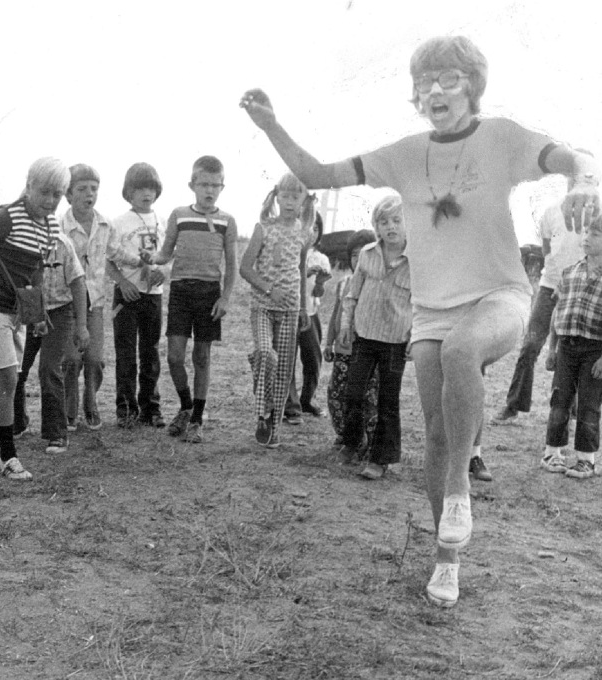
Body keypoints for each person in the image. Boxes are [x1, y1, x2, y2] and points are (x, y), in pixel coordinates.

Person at [241, 35, 599, 608]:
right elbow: (318, 171)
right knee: (434, 431)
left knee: (461, 354)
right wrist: (270, 125)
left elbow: (573, 157)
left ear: (472, 86)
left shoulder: (501, 138)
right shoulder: (405, 153)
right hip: (431, 313)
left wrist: (582, 181)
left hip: (499, 297)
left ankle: (459, 489)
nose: (435, 90)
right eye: (425, 80)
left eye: (450, 78)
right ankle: (446, 560)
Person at [0, 157, 70, 481]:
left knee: (6, 376)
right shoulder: (5, 217)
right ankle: (8, 456)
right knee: (9, 379)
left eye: (57, 195)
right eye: (45, 192)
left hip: (15, 310)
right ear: (29, 185)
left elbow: (35, 272)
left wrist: (35, 315)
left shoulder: (51, 226)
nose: (50, 201)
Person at [141, 156, 238, 443]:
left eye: (215, 185)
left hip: (209, 293)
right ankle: (185, 405)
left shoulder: (227, 221)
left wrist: (225, 298)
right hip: (181, 290)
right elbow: (165, 252)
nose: (209, 190)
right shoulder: (179, 215)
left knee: (202, 357)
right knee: (173, 356)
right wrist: (152, 259)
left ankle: (197, 418)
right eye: (203, 184)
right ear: (192, 185)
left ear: (222, 187)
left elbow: (232, 265)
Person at [493, 185, 584, 424]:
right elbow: (546, 250)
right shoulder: (551, 212)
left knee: (573, 351)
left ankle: (573, 411)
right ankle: (513, 405)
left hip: (578, 291)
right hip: (548, 288)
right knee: (530, 346)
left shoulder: (596, 216)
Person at [337, 194, 412, 480]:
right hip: (365, 335)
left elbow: (420, 303)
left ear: (408, 224)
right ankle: (352, 442)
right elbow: (352, 293)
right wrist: (346, 326)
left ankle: (380, 459)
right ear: (376, 227)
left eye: (397, 220)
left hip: (395, 340)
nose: (391, 227)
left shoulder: (416, 260)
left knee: (387, 401)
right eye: (384, 222)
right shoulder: (367, 254)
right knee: (353, 393)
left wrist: (414, 337)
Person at [239, 172, 315, 448]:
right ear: (277, 197)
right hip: (263, 305)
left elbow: (302, 268)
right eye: (286, 195)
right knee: (265, 355)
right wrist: (270, 290)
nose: (291, 201)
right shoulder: (263, 227)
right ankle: (262, 412)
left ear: (304, 199)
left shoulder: (306, 232)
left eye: (297, 196)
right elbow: (245, 268)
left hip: (291, 308)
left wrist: (304, 306)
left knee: (283, 367)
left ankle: (273, 425)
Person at [12, 227, 89, 454]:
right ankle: (17, 422)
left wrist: (82, 326)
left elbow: (78, 284)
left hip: (59, 311)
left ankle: (57, 433)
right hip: (28, 309)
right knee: (16, 368)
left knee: (48, 368)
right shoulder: (17, 242)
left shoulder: (62, 244)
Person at [539, 216, 602, 479]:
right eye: (587, 232)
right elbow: (557, 312)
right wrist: (552, 349)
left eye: (595, 234)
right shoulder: (569, 272)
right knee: (560, 399)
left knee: (589, 404)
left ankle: (586, 460)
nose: (586, 237)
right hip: (566, 346)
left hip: (594, 351)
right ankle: (552, 452)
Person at [108, 163, 167, 429]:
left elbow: (170, 257)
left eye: (151, 188)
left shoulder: (164, 222)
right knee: (126, 353)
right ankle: (126, 408)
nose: (146, 193)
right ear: (128, 192)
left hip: (153, 295)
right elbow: (106, 260)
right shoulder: (118, 223)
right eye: (139, 188)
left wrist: (163, 271)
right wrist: (121, 283)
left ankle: (150, 408)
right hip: (127, 297)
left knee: (150, 352)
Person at [61, 164, 113, 431]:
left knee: (94, 359)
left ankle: (90, 403)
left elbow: (116, 255)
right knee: (70, 359)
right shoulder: (60, 226)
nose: (88, 194)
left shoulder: (104, 224)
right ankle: (69, 409)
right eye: (81, 189)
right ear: (68, 195)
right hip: (67, 303)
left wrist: (144, 265)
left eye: (93, 188)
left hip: (96, 303)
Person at [323, 228, 379, 451]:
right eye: (354, 254)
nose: (358, 259)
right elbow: (337, 314)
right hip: (343, 351)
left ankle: (364, 439)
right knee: (336, 395)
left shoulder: (376, 283)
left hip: (367, 351)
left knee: (367, 398)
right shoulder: (343, 283)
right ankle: (345, 434)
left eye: (364, 253)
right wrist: (328, 343)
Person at [284, 214, 331, 422]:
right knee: (288, 359)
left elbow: (318, 293)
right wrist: (304, 272)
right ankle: (290, 406)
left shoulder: (321, 258)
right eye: (307, 227)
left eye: (316, 228)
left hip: (311, 312)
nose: (311, 232)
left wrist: (320, 282)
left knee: (313, 358)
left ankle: (307, 400)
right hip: (289, 312)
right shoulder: (289, 251)